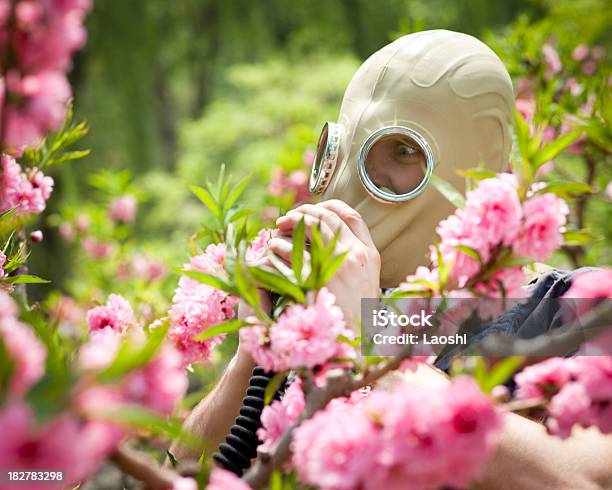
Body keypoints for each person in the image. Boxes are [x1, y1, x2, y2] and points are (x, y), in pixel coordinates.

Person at [171, 30, 612, 489]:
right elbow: (173, 478)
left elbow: (586, 478)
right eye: (348, 151)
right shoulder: (330, 321)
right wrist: (252, 355)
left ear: (480, 175)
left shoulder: (580, 305)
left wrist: (371, 338)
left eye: (403, 151)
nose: (364, 180)